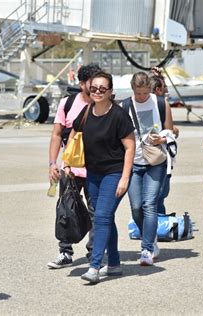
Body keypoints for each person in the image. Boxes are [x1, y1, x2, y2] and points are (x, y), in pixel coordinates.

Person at [65, 71, 135, 283]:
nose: (97, 92)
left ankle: (95, 266)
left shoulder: (119, 115)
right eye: (93, 88)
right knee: (104, 217)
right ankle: (113, 264)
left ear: (110, 92)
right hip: (93, 173)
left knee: (102, 216)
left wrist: (124, 178)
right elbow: (73, 133)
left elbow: (130, 148)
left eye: (102, 89)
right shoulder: (86, 111)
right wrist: (67, 160)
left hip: (114, 173)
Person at [47, 63, 102, 269]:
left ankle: (93, 254)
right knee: (65, 210)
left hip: (96, 169)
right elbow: (56, 134)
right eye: (92, 83)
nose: (97, 87)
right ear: (82, 84)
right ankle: (65, 251)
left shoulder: (104, 104)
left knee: (96, 212)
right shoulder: (67, 104)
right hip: (69, 169)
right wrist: (53, 164)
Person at [123, 72, 174, 266]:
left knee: (150, 204)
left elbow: (170, 130)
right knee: (136, 207)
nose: (142, 96)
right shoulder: (125, 105)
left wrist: (163, 138)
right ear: (132, 89)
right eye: (138, 93)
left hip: (155, 161)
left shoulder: (160, 103)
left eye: (145, 93)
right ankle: (150, 237)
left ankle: (147, 249)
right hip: (134, 162)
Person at [149, 70, 179, 215]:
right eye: (164, 87)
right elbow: (171, 132)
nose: (166, 90)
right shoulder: (161, 104)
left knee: (156, 197)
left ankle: (155, 226)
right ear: (158, 89)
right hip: (157, 156)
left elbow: (170, 132)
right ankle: (155, 225)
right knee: (157, 197)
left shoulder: (161, 105)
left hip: (160, 156)